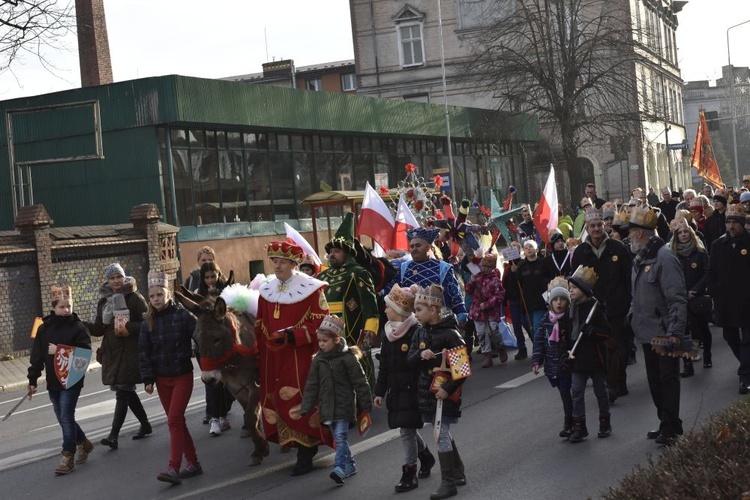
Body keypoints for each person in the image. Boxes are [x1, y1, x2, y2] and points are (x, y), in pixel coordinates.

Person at [256, 240, 331, 476]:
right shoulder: (266, 291)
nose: (276, 267)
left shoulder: (311, 288)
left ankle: (306, 452)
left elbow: (322, 322)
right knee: (276, 398)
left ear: (293, 264)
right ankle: (292, 443)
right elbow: (260, 323)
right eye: (274, 262)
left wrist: (293, 334)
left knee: (298, 397)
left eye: (281, 262)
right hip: (273, 356)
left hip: (299, 355)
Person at [627, 207, 687, 446]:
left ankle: (670, 426)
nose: (628, 236)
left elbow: (676, 299)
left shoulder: (665, 257)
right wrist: (632, 316)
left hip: (664, 331)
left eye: (631, 232)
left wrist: (675, 332)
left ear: (640, 234)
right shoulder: (640, 259)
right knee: (654, 381)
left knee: (667, 379)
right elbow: (637, 295)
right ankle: (667, 422)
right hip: (645, 333)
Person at [138, 270, 201, 484]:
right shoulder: (147, 322)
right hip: (161, 378)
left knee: (174, 420)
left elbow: (202, 337)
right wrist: (147, 379)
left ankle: (174, 468)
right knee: (178, 422)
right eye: (152, 296)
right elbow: (144, 352)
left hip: (182, 375)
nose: (156, 299)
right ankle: (193, 462)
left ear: (168, 294)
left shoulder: (183, 316)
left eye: (159, 295)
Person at [407, 284, 468, 500]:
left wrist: (447, 388)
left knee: (440, 433)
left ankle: (448, 483)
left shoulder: (451, 334)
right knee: (441, 431)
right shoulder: (420, 332)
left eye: (419, 310)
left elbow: (462, 370)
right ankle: (458, 472)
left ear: (433, 310)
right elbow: (410, 359)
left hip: (445, 394)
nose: (415, 314)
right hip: (427, 392)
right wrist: (420, 354)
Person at [374, 284, 435, 492]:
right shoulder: (389, 332)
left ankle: (410, 471)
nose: (385, 311)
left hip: (412, 388)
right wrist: (379, 391)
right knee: (405, 426)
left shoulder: (416, 331)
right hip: (395, 389)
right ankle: (425, 456)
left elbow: (421, 361)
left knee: (406, 430)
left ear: (399, 311)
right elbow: (384, 365)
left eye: (388, 307)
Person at [27, 286, 94, 475]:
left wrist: (60, 350)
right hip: (53, 381)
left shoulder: (78, 327)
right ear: (54, 308)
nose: (66, 310)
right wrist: (32, 379)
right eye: (62, 307)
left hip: (72, 380)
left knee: (65, 415)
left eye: (69, 306)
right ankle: (84, 442)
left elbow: (84, 355)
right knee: (62, 417)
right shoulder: (44, 328)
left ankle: (67, 455)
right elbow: (37, 356)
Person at [301, 315, 372, 486]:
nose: (321, 344)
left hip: (344, 405)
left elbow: (360, 382)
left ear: (336, 339)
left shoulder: (348, 358)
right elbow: (312, 384)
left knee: (340, 437)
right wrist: (307, 406)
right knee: (340, 439)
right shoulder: (318, 360)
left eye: (325, 341)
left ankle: (339, 467)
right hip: (326, 407)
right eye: (319, 341)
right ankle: (351, 465)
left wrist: (366, 405)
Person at [86, 263, 151, 450]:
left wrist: (126, 327)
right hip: (112, 353)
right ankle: (145, 425)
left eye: (119, 277)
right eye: (112, 278)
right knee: (127, 392)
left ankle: (113, 435)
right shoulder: (104, 301)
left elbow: (148, 324)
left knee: (123, 392)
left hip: (131, 352)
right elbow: (99, 329)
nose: (116, 281)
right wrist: (79, 322)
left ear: (124, 278)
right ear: (107, 280)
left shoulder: (135, 298)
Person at [571, 208, 632, 404]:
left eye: (599, 225)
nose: (597, 229)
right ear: (587, 229)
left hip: (616, 305)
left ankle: (613, 385)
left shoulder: (618, 248)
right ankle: (609, 381)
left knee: (614, 345)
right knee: (601, 347)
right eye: (592, 226)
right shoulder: (581, 252)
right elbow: (576, 281)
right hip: (592, 309)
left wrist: (630, 303)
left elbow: (628, 277)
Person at [318, 213, 380, 387]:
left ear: (347, 253)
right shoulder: (322, 275)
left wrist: (366, 341)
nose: (332, 255)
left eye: (337, 251)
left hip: (351, 336)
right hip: (325, 336)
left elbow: (371, 310)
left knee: (355, 380)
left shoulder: (358, 273)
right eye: (330, 251)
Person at [708, 203, 750, 394]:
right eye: (729, 222)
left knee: (747, 340)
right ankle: (746, 365)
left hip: (747, 300)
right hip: (726, 301)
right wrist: (715, 293)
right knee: (730, 336)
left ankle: (744, 377)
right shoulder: (718, 245)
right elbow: (712, 272)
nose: (731, 226)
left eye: (735, 222)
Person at [566, 266, 611, 442]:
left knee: (601, 391)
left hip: (595, 357)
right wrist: (565, 350)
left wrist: (593, 331)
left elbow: (606, 332)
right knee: (576, 391)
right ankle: (579, 426)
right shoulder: (570, 310)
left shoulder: (595, 308)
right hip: (577, 358)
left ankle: (605, 422)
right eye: (570, 288)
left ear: (584, 290)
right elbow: (566, 333)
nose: (571, 291)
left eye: (574, 288)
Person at [387, 227, 468, 323]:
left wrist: (461, 312)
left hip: (438, 322)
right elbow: (392, 289)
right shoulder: (404, 267)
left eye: (418, 246)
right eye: (412, 246)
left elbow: (455, 294)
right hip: (410, 323)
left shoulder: (444, 268)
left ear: (428, 248)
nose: (414, 249)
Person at [193, 261, 234, 436]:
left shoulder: (227, 291)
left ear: (218, 275)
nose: (210, 280)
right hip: (205, 347)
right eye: (206, 277)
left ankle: (222, 412)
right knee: (211, 384)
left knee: (228, 383)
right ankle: (214, 417)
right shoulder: (197, 295)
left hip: (224, 345)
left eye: (213, 276)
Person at [667, 218, 711, 377]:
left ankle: (707, 355)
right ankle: (687, 364)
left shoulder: (700, 251)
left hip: (697, 296)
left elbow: (707, 273)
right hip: (680, 297)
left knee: (702, 327)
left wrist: (695, 290)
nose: (683, 235)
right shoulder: (671, 254)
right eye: (680, 233)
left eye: (686, 232)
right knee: (682, 331)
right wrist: (681, 292)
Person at [532, 277, 574, 439]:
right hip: (552, 366)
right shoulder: (545, 320)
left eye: (562, 300)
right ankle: (571, 421)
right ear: (550, 303)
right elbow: (539, 341)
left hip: (567, 365)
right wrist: (536, 361)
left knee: (568, 393)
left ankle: (571, 422)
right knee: (564, 394)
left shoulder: (570, 319)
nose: (558, 303)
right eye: (555, 300)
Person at [465, 252, 507, 368]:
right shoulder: (477, 277)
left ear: (493, 267)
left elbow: (500, 296)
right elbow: (468, 291)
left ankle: (500, 347)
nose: (485, 269)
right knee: (481, 333)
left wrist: (488, 304)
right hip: (477, 310)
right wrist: (471, 282)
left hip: (491, 311)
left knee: (493, 330)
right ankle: (486, 355)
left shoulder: (495, 280)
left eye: (488, 267)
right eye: (484, 266)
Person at [502, 242, 532, 360]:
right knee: (517, 327)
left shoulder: (523, 264)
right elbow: (505, 284)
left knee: (527, 323)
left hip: (522, 299)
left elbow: (523, 281)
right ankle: (522, 349)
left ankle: (537, 345)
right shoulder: (507, 268)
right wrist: (505, 300)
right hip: (513, 300)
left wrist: (516, 272)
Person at [516, 239, 548, 345]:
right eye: (526, 248)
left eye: (531, 247)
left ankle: (541, 349)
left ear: (537, 249)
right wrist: (512, 272)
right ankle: (539, 348)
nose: (528, 249)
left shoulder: (544, 263)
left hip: (542, 301)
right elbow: (516, 283)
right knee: (532, 327)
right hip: (527, 302)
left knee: (539, 326)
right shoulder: (521, 266)